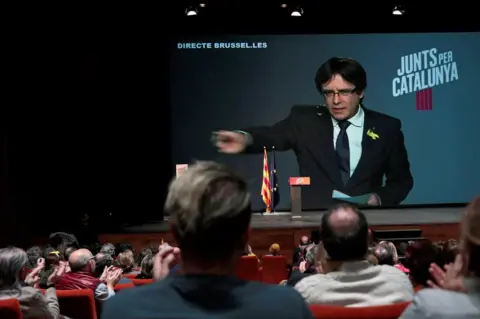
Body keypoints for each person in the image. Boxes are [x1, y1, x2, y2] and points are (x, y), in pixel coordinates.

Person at [102, 161, 313, 319]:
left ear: (174, 233)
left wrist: (160, 291)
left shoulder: (122, 310)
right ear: (245, 236)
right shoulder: (288, 308)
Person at [213, 57, 413, 209]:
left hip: (365, 221)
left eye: (344, 92)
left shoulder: (387, 127)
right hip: (314, 222)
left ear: (360, 92)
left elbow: (402, 181)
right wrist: (245, 139)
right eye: (328, 93)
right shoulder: (304, 120)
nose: (336, 101)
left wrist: (377, 199)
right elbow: (274, 135)